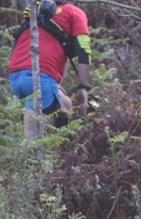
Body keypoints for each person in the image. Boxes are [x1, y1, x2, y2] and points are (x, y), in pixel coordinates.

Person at [8, 0, 91, 138]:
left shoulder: (37, 12)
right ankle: (61, 150)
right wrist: (83, 87)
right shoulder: (74, 12)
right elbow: (84, 51)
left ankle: (41, 146)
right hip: (40, 76)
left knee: (61, 101)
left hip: (15, 78)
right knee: (63, 107)